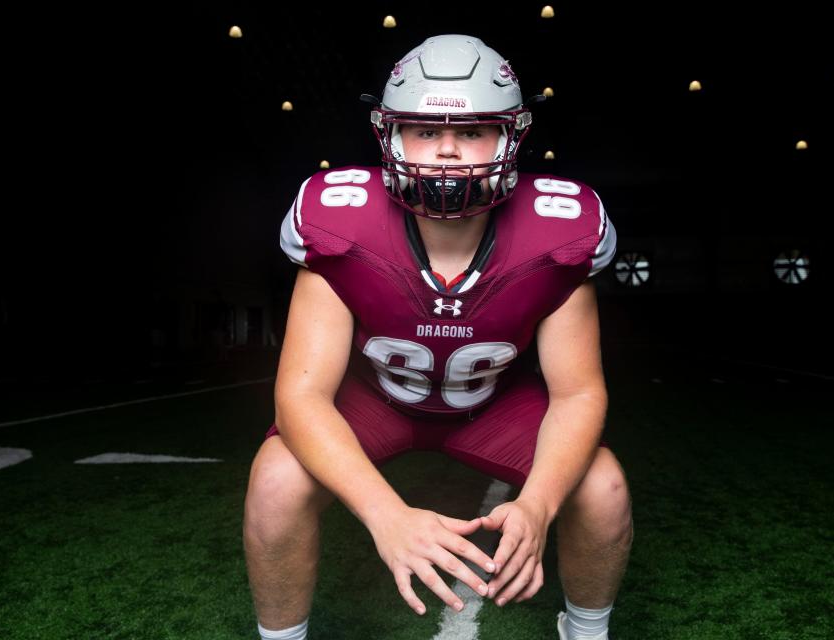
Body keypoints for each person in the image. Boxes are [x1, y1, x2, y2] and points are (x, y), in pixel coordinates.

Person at [244, 34, 632, 640]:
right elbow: (301, 396)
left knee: (603, 488)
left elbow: (578, 392)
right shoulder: (339, 217)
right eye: (424, 131)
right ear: (390, 135)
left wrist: (538, 505)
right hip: (377, 402)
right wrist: (385, 514)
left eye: (472, 129)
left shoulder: (559, 230)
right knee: (275, 479)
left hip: (491, 406)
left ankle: (586, 630)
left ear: (510, 135)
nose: (447, 150)